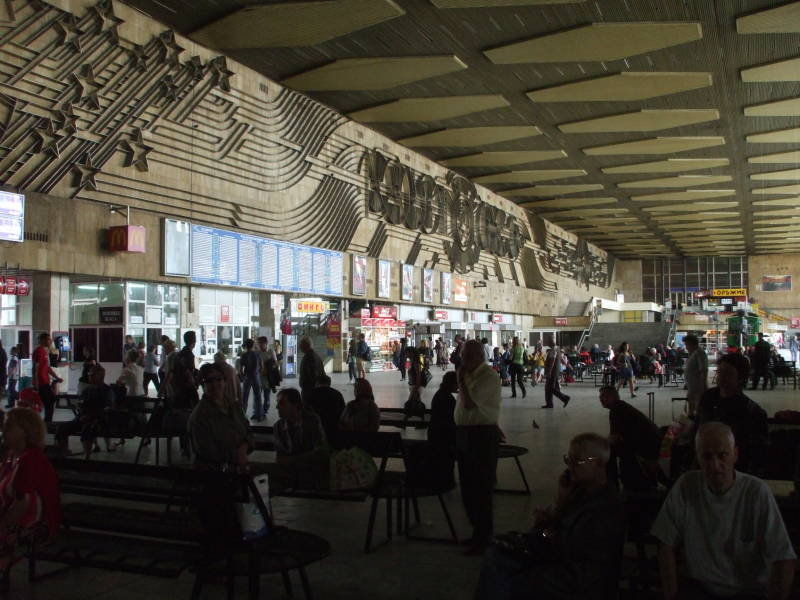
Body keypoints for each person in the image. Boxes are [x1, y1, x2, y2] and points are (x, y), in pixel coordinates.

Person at [652, 422, 796, 599]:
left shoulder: (756, 492)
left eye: (722, 455)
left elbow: (784, 558)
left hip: (746, 592)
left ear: (735, 454)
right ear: (697, 457)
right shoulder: (686, 486)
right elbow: (665, 543)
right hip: (699, 588)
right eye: (707, 457)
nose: (715, 464)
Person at [474, 433, 624, 599]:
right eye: (568, 459)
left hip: (575, 577)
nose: (570, 466)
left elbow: (582, 568)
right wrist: (559, 503)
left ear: (598, 463)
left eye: (577, 461)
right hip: (558, 556)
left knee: (504, 577)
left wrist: (545, 536)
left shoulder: (605, 509)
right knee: (495, 555)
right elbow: (556, 533)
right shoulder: (579, 491)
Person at [0, 408, 61, 571]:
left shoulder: (32, 459)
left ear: (25, 432)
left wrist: (3, 524)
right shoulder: (11, 455)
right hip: (16, 516)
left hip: (35, 522)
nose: (4, 431)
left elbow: (23, 503)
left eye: (9, 427)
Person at [456, 339, 502, 555]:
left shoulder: (489, 376)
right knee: (467, 487)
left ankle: (484, 536)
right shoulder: (469, 374)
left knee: (481, 488)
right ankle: (476, 532)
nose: (461, 358)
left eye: (465, 355)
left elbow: (468, 403)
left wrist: (460, 381)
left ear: (478, 356)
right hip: (466, 434)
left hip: (481, 436)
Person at [695, 353, 768, 475]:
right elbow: (698, 425)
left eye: (727, 373)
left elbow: (755, 452)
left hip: (733, 468)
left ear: (740, 377)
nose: (721, 376)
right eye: (720, 372)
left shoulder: (751, 411)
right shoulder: (708, 397)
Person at [188, 362, 252, 469]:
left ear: (225, 381)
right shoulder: (199, 416)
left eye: (218, 379)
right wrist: (237, 455)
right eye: (209, 381)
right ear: (203, 385)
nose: (215, 384)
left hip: (238, 467)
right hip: (214, 475)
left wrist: (245, 446)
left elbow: (248, 431)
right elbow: (207, 452)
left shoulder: (234, 406)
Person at [599, 386, 660, 490]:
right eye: (601, 397)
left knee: (606, 452)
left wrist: (599, 444)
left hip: (647, 446)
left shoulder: (616, 409)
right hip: (649, 442)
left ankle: (612, 486)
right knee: (610, 448)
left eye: (605, 396)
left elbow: (614, 438)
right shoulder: (621, 407)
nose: (602, 399)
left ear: (615, 396)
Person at [56, 365, 115, 458]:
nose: (89, 376)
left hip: (98, 420)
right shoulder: (87, 390)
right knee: (62, 429)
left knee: (87, 429)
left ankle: (87, 456)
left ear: (101, 376)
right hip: (82, 418)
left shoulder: (107, 391)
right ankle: (64, 452)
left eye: (92, 374)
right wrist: (79, 406)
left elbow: (108, 408)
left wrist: (91, 416)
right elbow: (81, 402)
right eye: (89, 374)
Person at [274, 387, 327, 458]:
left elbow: (318, 449)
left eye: (282, 403)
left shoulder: (313, 420)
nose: (277, 407)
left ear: (296, 405)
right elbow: (281, 454)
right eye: (278, 403)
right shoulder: (278, 426)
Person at [32, 332, 63, 423]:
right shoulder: (38, 351)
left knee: (51, 401)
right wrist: (36, 384)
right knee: (49, 401)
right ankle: (47, 422)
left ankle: (47, 421)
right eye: (48, 339)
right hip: (41, 383)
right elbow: (35, 368)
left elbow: (48, 368)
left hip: (46, 381)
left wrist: (57, 377)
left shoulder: (45, 352)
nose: (50, 341)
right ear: (43, 340)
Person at [307, 373, 345, 442]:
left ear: (317, 383)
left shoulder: (311, 394)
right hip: (334, 427)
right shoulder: (337, 394)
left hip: (314, 428)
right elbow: (343, 411)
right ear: (329, 383)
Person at [429, 370, 457, 449]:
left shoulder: (440, 393)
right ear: (452, 384)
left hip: (435, 433)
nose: (458, 386)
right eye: (457, 383)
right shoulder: (448, 397)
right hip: (443, 436)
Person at [172, 331, 200, 410]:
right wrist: (194, 383)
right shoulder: (189, 355)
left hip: (179, 386)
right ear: (194, 342)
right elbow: (189, 371)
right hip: (187, 387)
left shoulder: (179, 354)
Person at [683, 334, 708, 416]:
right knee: (691, 408)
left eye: (687, 344)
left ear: (693, 344)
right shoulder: (693, 354)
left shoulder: (700, 353)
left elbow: (703, 370)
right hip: (692, 387)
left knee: (698, 409)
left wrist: (702, 387)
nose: (686, 347)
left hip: (698, 387)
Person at [239, 339, 262, 421]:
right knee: (258, 397)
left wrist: (242, 377)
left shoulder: (244, 355)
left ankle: (243, 415)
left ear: (246, 346)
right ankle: (259, 415)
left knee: (245, 397)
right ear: (252, 345)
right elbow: (261, 366)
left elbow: (241, 369)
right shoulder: (257, 354)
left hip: (247, 377)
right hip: (256, 377)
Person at [298, 336, 324, 406]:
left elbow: (314, 375)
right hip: (310, 390)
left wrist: (312, 390)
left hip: (310, 392)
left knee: (309, 410)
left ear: (306, 345)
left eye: (301, 345)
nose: (300, 347)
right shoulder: (313, 355)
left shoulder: (310, 357)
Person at [257, 336, 277, 418]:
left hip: (268, 378)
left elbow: (276, 363)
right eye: (259, 344)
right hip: (258, 378)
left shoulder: (271, 351)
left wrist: (269, 368)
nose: (260, 345)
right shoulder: (258, 353)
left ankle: (264, 412)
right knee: (257, 396)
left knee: (266, 396)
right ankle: (258, 412)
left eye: (261, 343)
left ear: (266, 343)